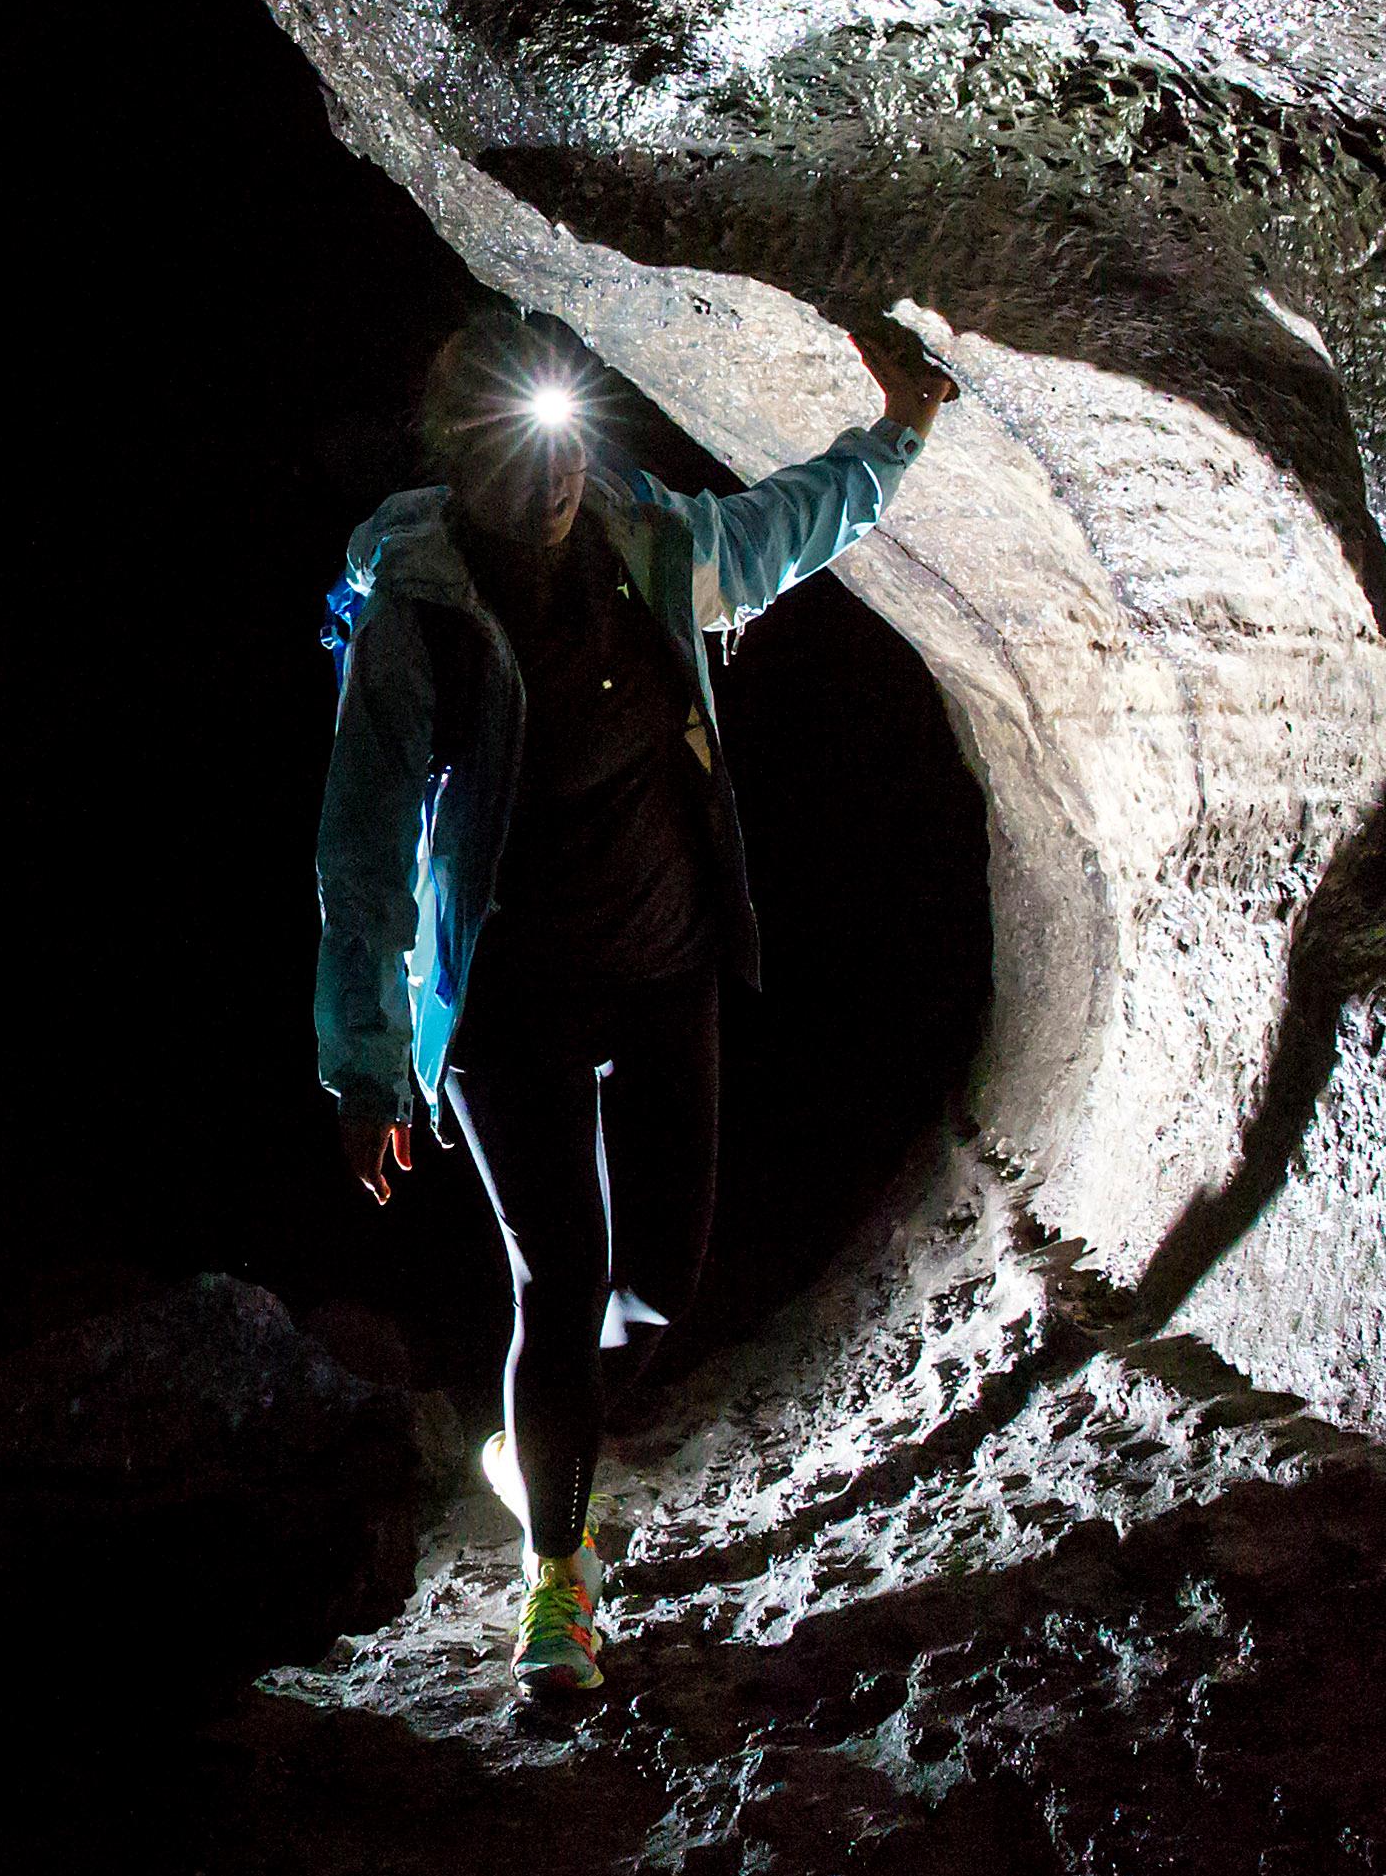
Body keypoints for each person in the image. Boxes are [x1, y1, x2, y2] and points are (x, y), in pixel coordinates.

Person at [311, 306, 954, 1691]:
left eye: (560, 441)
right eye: (513, 453)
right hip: (509, 997)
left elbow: (774, 535)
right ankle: (557, 1581)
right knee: (560, 1278)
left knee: (659, 1283)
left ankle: (536, 1442)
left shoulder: (642, 541)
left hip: (663, 963)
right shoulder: (419, 613)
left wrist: (898, 431)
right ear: (456, 459)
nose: (549, 476)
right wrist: (367, 1065)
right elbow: (360, 854)